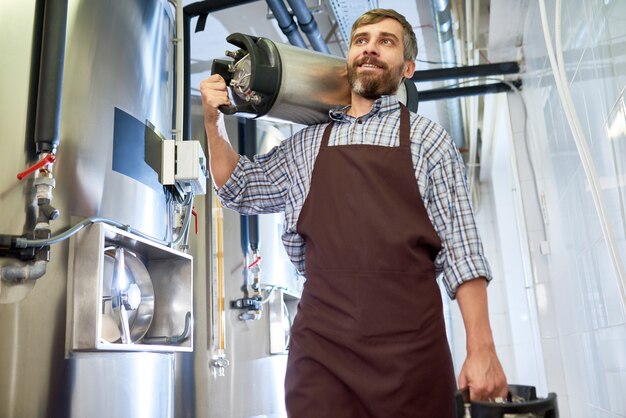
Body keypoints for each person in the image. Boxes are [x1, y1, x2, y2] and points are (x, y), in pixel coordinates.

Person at [200, 8, 507, 418]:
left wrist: (481, 348)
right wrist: (212, 121)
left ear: (408, 67)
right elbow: (239, 187)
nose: (371, 48)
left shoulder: (428, 139)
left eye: (387, 41)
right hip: (322, 353)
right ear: (348, 61)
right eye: (362, 40)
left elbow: (463, 251)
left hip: (410, 353)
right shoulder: (307, 143)